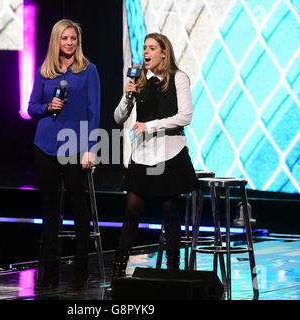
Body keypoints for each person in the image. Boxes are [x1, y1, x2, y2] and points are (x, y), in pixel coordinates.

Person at [112, 33, 198, 278]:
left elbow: (185, 117)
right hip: (144, 154)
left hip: (170, 152)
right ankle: (118, 270)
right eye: (144, 48)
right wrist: (127, 96)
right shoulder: (139, 80)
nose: (146, 53)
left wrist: (149, 125)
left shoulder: (178, 79)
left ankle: (173, 269)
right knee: (132, 208)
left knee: (170, 208)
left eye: (152, 48)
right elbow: (118, 117)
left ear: (163, 52)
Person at [27, 19, 100, 290]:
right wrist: (48, 106)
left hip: (74, 146)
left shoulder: (88, 70)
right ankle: (50, 273)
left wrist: (91, 149)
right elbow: (31, 107)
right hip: (44, 145)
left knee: (78, 210)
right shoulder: (45, 70)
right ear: (56, 40)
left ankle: (81, 273)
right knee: (49, 210)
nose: (69, 43)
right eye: (64, 38)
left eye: (73, 39)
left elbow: (94, 112)